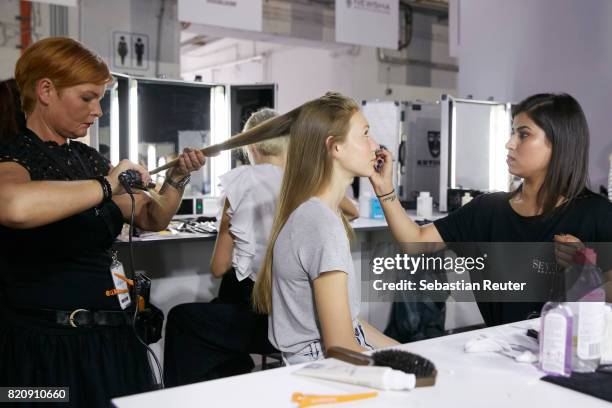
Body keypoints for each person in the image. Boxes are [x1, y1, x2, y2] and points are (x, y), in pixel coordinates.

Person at [0, 37, 206, 407]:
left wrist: (176, 178)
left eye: (101, 99)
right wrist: (107, 184)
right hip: (45, 346)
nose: (98, 111)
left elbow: (150, 216)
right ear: (46, 90)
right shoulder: (13, 156)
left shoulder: (90, 159)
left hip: (110, 336)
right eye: (87, 97)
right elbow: (14, 207)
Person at [368, 93, 612, 326]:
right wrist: (385, 190)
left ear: (559, 143)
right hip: (501, 354)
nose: (509, 143)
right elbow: (415, 242)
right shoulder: (488, 210)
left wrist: (586, 273)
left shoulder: (597, 215)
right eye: (512, 133)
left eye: (523, 135)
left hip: (570, 356)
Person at [243, 92, 400, 364]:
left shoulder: (320, 214)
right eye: (365, 134)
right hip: (325, 368)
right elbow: (341, 347)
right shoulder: (320, 224)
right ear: (335, 147)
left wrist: (411, 352)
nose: (375, 145)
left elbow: (352, 324)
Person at [163, 108, 285, 386]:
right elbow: (347, 208)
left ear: (250, 146)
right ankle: (235, 375)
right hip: (295, 318)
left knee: (184, 318)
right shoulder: (304, 182)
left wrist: (230, 229)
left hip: (260, 322)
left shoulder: (242, 183)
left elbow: (218, 267)